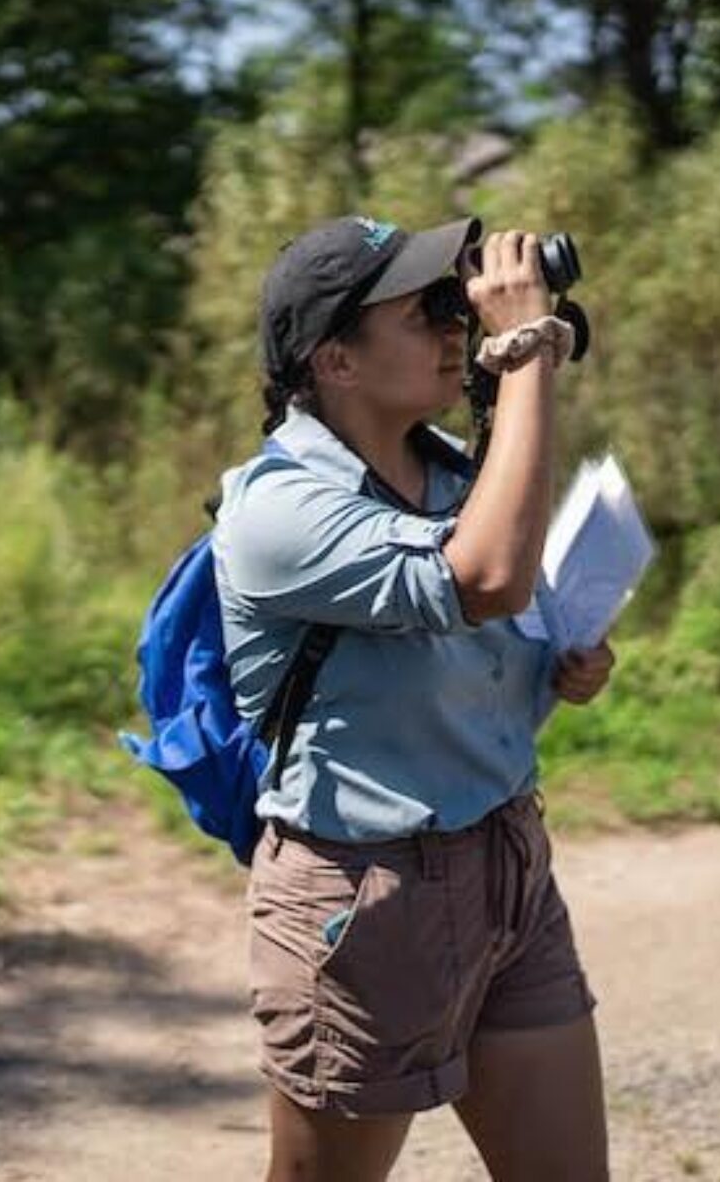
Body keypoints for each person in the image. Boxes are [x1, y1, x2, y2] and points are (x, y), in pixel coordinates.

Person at [215, 215, 617, 1182]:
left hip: (507, 862)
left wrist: (556, 667)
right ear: (336, 360)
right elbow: (479, 580)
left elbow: (491, 618)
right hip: (364, 901)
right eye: (426, 310)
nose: (455, 327)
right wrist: (521, 353)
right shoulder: (279, 509)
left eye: (457, 303)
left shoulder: (448, 471)